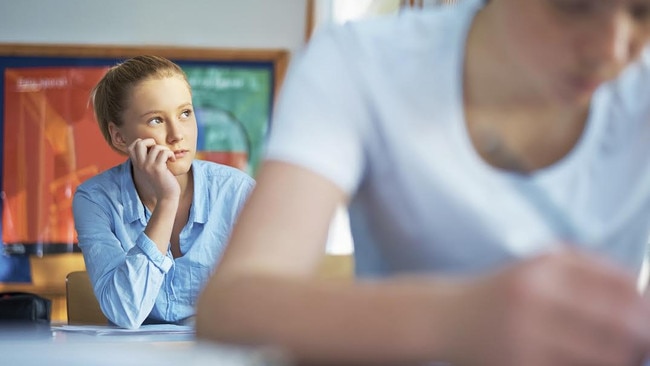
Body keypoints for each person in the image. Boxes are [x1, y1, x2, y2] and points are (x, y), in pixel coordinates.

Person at [196, 0, 650, 364]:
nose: (611, 51)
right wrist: (458, 322)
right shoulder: (360, 62)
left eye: (642, 12)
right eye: (573, 6)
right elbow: (233, 303)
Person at [72, 55, 255, 329]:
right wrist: (167, 201)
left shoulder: (236, 191)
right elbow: (125, 313)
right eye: (156, 120)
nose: (177, 134)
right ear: (119, 137)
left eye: (185, 113)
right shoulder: (95, 199)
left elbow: (259, 306)